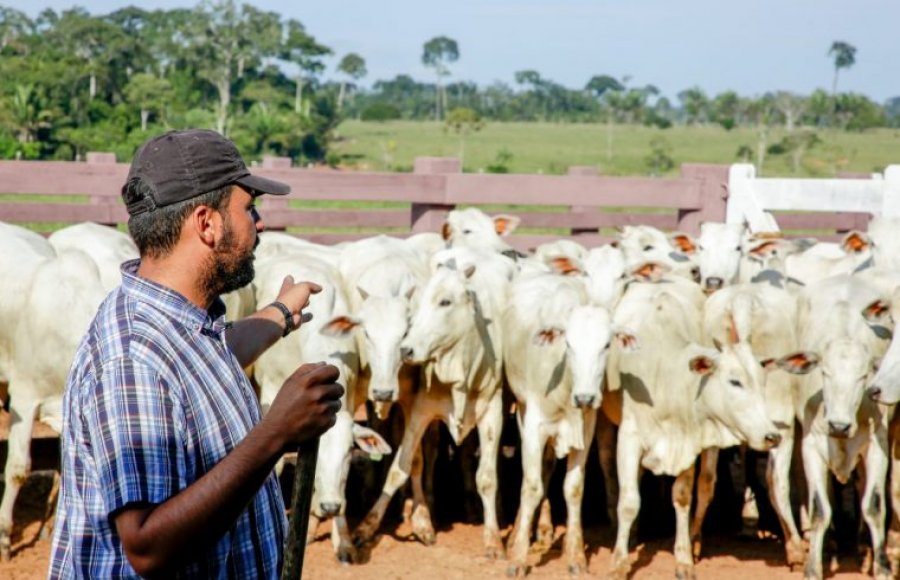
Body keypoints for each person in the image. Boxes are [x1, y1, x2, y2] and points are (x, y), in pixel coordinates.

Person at [48, 129, 343, 578]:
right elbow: (148, 547)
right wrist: (277, 432)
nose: (259, 223)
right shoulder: (131, 360)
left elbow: (206, 360)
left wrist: (279, 315)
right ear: (207, 223)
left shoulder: (179, 321)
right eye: (249, 208)